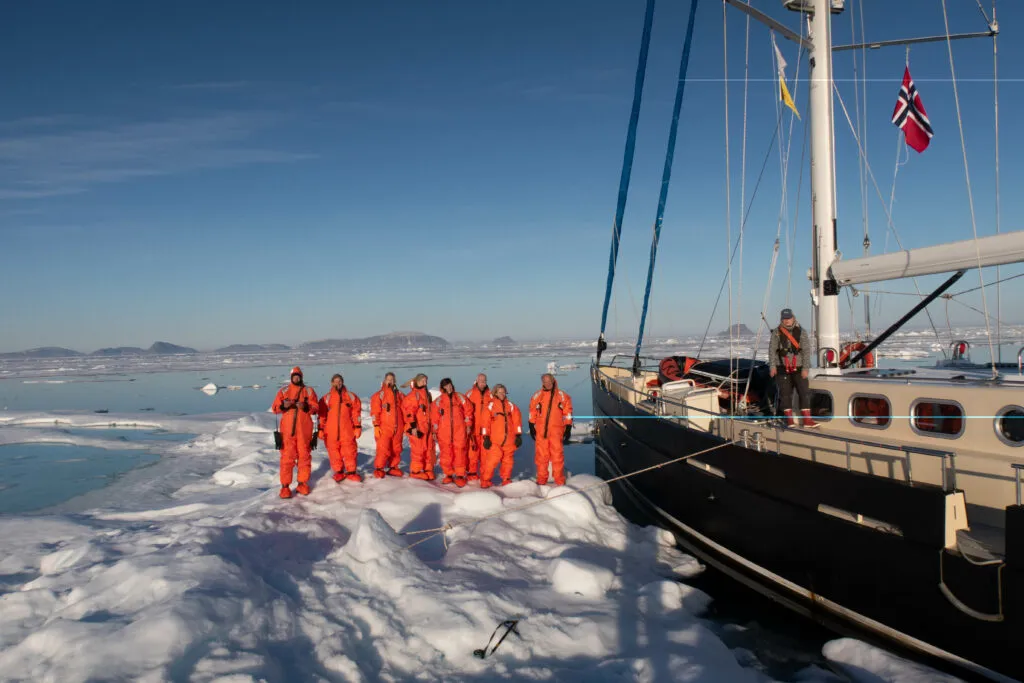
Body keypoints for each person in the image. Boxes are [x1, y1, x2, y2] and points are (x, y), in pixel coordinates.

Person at [271, 366, 319, 498]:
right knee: (287, 458)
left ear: (301, 377)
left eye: (298, 376)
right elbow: (275, 408)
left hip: (304, 431)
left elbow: (315, 408)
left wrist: (305, 406)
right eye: (294, 376)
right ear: (291, 378)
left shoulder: (309, 391)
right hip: (287, 432)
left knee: (304, 457)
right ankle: (285, 487)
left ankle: (302, 483)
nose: (296, 378)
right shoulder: (284, 391)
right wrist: (283, 405)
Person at [768, 308, 818, 428]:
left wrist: (806, 368)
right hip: (782, 368)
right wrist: (772, 366)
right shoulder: (776, 332)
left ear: (793, 318)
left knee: (804, 392)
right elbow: (772, 351)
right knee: (785, 394)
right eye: (784, 319)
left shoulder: (801, 331)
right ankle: (789, 420)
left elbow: (806, 351)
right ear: (782, 319)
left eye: (789, 318)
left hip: (799, 368)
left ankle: (807, 420)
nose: (787, 321)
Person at [528, 373, 573, 486]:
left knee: (557, 456)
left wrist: (568, 427)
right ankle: (541, 480)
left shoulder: (562, 396)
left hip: (556, 432)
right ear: (542, 382)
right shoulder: (537, 396)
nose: (547, 384)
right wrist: (531, 425)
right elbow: (532, 411)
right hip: (541, 432)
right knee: (541, 457)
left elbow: (568, 412)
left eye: (549, 381)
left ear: (553, 381)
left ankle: (559, 480)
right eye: (545, 382)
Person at [317, 374, 362, 482]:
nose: (338, 383)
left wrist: (358, 426)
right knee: (334, 452)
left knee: (349, 450)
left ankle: (351, 472)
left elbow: (357, 413)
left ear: (343, 382)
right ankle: (339, 471)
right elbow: (321, 415)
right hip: (331, 431)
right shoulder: (326, 398)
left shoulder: (351, 396)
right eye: (336, 381)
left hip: (347, 430)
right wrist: (320, 429)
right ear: (332, 383)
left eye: (340, 381)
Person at [479, 384, 522, 488]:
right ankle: (485, 480)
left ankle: (506, 479)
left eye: (503, 392)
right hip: (495, 440)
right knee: (492, 461)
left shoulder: (511, 406)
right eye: (500, 392)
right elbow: (485, 424)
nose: (502, 394)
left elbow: (517, 422)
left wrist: (518, 435)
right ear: (495, 393)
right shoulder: (490, 406)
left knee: (508, 461)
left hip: (509, 440)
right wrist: (486, 437)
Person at [431, 378, 472, 486]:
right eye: (446, 386)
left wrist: (468, 425)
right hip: (444, 432)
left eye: (450, 385)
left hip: (459, 430)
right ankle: (448, 474)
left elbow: (468, 412)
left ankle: (460, 475)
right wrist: (434, 431)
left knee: (460, 453)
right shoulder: (438, 401)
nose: (449, 387)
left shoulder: (460, 397)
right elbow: (434, 418)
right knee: (446, 454)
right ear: (442, 387)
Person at [370, 372, 405, 478]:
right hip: (384, 427)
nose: (390, 381)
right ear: (385, 381)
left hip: (398, 427)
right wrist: (376, 425)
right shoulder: (379, 395)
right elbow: (375, 412)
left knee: (396, 448)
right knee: (383, 448)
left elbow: (407, 408)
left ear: (395, 381)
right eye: (388, 379)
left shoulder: (400, 395)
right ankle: (379, 468)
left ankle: (393, 467)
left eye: (392, 379)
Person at [403, 373, 436, 480]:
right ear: (417, 381)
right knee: (418, 450)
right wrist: (413, 427)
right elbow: (409, 412)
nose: (425, 383)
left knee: (429, 449)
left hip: (427, 427)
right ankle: (416, 471)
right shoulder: (414, 395)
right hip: (417, 427)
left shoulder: (426, 395)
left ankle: (428, 469)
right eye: (422, 381)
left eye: (426, 381)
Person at [464, 373, 492, 481]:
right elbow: (464, 411)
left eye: (484, 381)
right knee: (473, 454)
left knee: (485, 455)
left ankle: (485, 476)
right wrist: (467, 426)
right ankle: (472, 475)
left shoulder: (491, 395)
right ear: (476, 381)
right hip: (473, 430)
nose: (483, 383)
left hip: (486, 431)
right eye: (481, 381)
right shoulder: (469, 394)